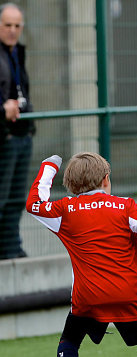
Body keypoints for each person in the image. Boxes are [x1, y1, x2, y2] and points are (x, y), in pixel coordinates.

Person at [25, 152, 137, 357]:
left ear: (71, 184)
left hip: (88, 297)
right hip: (129, 295)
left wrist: (49, 166)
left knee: (70, 341)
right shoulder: (126, 206)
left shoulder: (64, 209)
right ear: (106, 179)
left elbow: (34, 204)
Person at [0, 3, 34, 259]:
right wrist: (2, 109)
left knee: (14, 200)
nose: (12, 30)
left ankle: (11, 248)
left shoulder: (17, 53)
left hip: (22, 134)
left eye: (16, 25)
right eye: (7, 25)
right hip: (5, 136)